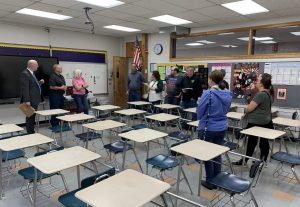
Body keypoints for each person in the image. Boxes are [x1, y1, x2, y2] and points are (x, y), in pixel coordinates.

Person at [196, 70, 232, 190]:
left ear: (211, 80)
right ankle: (217, 177)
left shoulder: (208, 93)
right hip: (222, 127)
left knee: (207, 154)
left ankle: (210, 181)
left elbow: (199, 112)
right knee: (217, 152)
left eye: (209, 79)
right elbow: (227, 110)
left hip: (208, 127)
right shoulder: (227, 93)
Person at [233, 73, 274, 166]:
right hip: (265, 122)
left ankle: (245, 161)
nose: (256, 81)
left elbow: (249, 109)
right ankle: (262, 162)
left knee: (251, 143)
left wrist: (245, 109)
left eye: (258, 80)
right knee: (263, 143)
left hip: (256, 123)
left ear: (262, 83)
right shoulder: (269, 94)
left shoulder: (260, 95)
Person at [20, 60, 44, 134]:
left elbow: (33, 86)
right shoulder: (25, 73)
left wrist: (39, 82)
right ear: (32, 65)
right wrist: (27, 100)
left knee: (32, 117)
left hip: (34, 99)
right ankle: (30, 133)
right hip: (30, 100)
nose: (38, 66)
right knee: (30, 117)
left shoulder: (32, 73)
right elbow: (25, 88)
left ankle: (31, 131)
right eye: (37, 65)